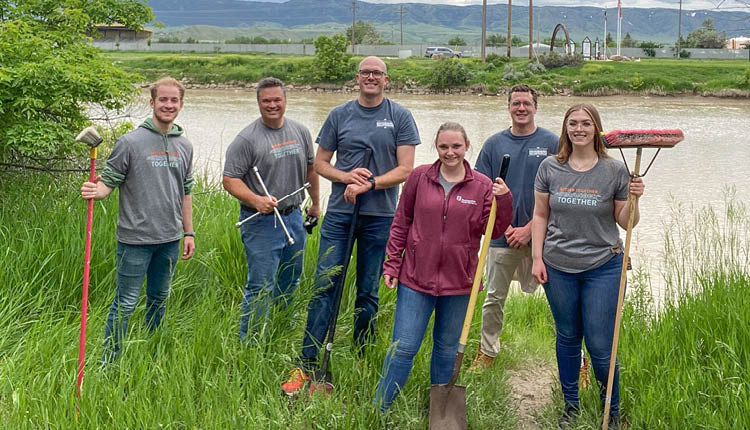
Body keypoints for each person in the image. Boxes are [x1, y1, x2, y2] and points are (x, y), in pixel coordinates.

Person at [282, 56, 421, 395]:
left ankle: (362, 356)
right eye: (365, 72)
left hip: (381, 216)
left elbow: (406, 169)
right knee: (325, 286)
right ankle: (308, 362)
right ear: (357, 78)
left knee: (368, 291)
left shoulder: (400, 116)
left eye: (377, 73)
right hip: (341, 216)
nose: (371, 77)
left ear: (386, 79)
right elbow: (319, 162)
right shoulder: (339, 115)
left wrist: (370, 184)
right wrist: (346, 178)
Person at [373, 122, 513, 411]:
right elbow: (401, 222)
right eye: (444, 146)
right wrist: (392, 263)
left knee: (447, 350)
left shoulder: (484, 186)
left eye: (456, 146)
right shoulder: (418, 178)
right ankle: (380, 408)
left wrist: (505, 199)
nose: (450, 152)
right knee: (404, 347)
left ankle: (440, 411)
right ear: (436, 147)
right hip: (415, 279)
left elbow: (496, 230)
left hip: (460, 283)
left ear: (467, 147)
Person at [531, 103, 644, 428]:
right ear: (566, 128)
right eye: (573, 123)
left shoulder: (615, 170)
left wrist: (635, 199)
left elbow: (627, 222)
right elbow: (540, 215)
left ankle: (613, 409)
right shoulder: (550, 167)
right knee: (567, 336)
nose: (579, 129)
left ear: (596, 129)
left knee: (599, 342)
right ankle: (571, 408)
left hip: (604, 265)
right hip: (558, 265)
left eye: (586, 123)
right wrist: (537, 258)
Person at [80, 77, 195, 361]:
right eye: (163, 100)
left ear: (180, 104)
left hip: (169, 239)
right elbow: (107, 185)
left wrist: (189, 233)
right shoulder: (130, 142)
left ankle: (152, 353)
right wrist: (95, 190)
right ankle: (110, 360)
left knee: (159, 299)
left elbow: (186, 192)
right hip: (135, 241)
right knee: (126, 303)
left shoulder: (185, 145)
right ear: (152, 102)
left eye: (174, 100)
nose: (168, 105)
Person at [222, 77, 320, 341]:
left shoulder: (300, 131)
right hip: (261, 222)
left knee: (291, 281)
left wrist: (316, 204)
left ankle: (280, 334)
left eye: (277, 100)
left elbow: (311, 170)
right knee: (261, 286)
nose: (273, 105)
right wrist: (256, 200)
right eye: (267, 101)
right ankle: (251, 343)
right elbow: (229, 180)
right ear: (258, 103)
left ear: (285, 101)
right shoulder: (246, 139)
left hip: (294, 218)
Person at [471, 84, 559, 370]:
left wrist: (528, 229)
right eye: (516, 103)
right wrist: (506, 227)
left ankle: (575, 360)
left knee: (561, 301)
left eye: (527, 103)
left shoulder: (553, 144)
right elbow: (480, 191)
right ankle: (487, 352)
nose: (521, 108)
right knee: (494, 298)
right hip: (502, 238)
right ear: (508, 107)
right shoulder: (494, 145)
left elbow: (562, 192)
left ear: (536, 107)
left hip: (545, 238)